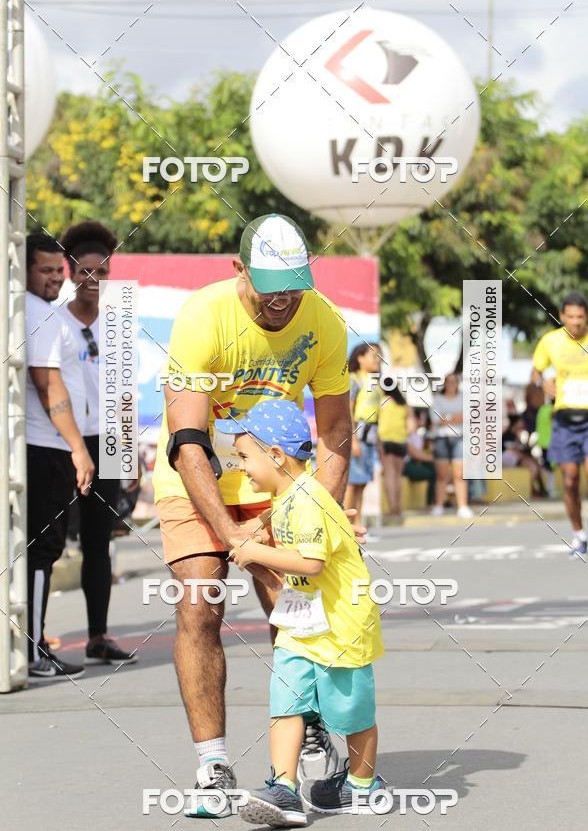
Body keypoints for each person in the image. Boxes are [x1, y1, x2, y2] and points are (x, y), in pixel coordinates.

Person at [151, 214, 353, 816]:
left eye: (294, 284)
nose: (284, 300)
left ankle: (307, 733)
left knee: (292, 609)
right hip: (197, 475)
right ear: (239, 271)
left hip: (274, 478)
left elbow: (337, 434)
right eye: (270, 287)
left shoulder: (325, 321)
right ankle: (212, 764)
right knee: (198, 601)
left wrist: (315, 515)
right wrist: (232, 532)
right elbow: (186, 440)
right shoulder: (203, 315)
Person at [217, 400, 384, 827]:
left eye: (245, 457)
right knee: (285, 700)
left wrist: (255, 551)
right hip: (302, 622)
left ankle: (363, 786)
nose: (241, 467)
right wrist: (258, 538)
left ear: (277, 455)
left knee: (352, 713)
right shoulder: (288, 498)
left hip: (341, 624)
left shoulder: (308, 498)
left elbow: (311, 564)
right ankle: (283, 789)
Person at [58, 221, 138, 665]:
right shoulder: (53, 320)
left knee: (99, 542)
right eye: (85, 272)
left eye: (102, 273)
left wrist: (128, 452)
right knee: (48, 541)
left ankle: (99, 635)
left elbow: (125, 390)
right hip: (61, 442)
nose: (93, 281)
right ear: (70, 274)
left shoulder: (119, 322)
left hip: (107, 440)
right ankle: (37, 637)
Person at [25, 233, 95, 679]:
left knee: (39, 550)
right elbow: (50, 385)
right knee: (42, 550)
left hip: (41, 445)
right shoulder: (40, 317)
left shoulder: (33, 312)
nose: (55, 278)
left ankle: (32, 644)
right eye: (44, 270)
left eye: (58, 270)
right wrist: (78, 448)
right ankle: (32, 650)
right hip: (47, 446)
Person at [531, 292, 588, 556]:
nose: (575, 323)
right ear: (561, 316)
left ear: (587, 317)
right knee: (570, 480)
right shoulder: (550, 341)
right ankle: (579, 535)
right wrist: (542, 382)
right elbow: (536, 371)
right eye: (570, 317)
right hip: (564, 418)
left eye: (580, 317)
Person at [344, 343, 383, 525]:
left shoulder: (375, 381)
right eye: (374, 356)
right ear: (360, 358)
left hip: (370, 436)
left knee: (362, 483)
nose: (378, 360)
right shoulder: (354, 379)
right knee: (352, 483)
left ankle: (358, 524)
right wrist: (353, 441)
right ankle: (347, 525)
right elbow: (349, 411)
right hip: (358, 435)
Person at [430, 373, 472, 518]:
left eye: (454, 382)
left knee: (459, 473)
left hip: (460, 438)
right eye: (449, 382)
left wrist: (447, 417)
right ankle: (439, 505)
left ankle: (463, 506)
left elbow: (467, 417)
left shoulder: (464, 398)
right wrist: (455, 417)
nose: (451, 384)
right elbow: (436, 419)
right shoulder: (438, 399)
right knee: (442, 474)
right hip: (441, 438)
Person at [378, 380, 414, 521]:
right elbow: (412, 426)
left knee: (389, 475)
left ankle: (392, 507)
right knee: (398, 476)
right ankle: (398, 506)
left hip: (385, 440)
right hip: (400, 441)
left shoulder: (382, 401)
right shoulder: (404, 404)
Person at [502, 413, 547, 496]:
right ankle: (532, 490)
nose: (522, 423)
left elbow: (522, 449)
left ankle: (539, 489)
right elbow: (514, 451)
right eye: (520, 422)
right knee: (533, 466)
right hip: (508, 459)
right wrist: (527, 457)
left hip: (516, 459)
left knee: (535, 464)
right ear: (516, 423)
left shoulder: (517, 435)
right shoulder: (508, 435)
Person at [404, 409, 436, 505]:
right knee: (435, 472)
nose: (423, 420)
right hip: (407, 466)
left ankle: (434, 501)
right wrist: (434, 459)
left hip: (417, 464)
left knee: (438, 470)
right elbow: (414, 454)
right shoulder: (407, 435)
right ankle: (430, 502)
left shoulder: (418, 435)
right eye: (421, 418)